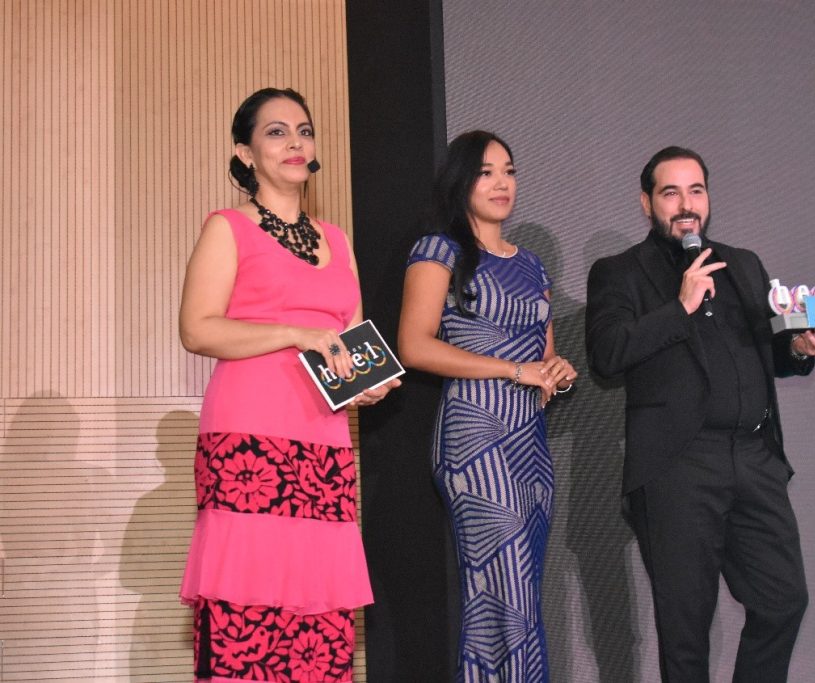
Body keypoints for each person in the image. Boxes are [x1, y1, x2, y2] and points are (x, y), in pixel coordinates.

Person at [585, 146, 815, 682]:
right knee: (685, 632)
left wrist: (799, 349)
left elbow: (766, 352)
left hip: (753, 456)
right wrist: (679, 306)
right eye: (670, 192)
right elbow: (607, 357)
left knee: (782, 601)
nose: (685, 205)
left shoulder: (743, 264)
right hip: (678, 466)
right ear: (646, 202)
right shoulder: (619, 273)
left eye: (696, 191)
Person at [177, 87, 399, 682]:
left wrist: (367, 384)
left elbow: (349, 342)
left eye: (303, 130)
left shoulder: (338, 240)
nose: (295, 142)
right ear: (245, 153)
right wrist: (293, 333)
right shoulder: (228, 227)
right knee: (246, 610)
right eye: (276, 132)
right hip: (247, 435)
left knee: (317, 615)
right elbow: (197, 330)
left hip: (322, 440)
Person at [398, 130, 576, 682]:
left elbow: (542, 358)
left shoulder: (533, 266)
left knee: (520, 593)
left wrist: (556, 373)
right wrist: (512, 370)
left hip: (530, 441)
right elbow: (414, 344)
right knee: (504, 596)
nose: (501, 183)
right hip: (476, 439)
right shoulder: (439, 249)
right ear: (461, 180)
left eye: (509, 171)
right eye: (485, 172)